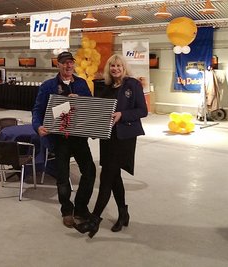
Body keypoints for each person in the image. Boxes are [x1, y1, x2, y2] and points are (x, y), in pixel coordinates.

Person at [74, 54, 148, 238]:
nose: (115, 69)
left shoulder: (132, 84)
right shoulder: (104, 86)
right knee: (114, 176)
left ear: (124, 67)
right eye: (112, 66)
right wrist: (78, 100)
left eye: (119, 66)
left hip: (124, 137)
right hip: (107, 137)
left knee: (106, 176)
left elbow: (142, 111)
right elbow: (95, 108)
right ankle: (123, 214)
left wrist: (122, 114)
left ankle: (94, 220)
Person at [32, 51, 96, 228]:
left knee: (90, 172)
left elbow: (90, 108)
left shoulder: (82, 84)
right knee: (62, 177)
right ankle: (67, 211)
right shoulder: (47, 86)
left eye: (71, 63)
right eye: (64, 63)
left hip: (79, 138)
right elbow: (37, 110)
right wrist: (38, 127)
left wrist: (80, 101)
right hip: (59, 139)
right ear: (58, 65)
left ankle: (81, 208)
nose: (68, 66)